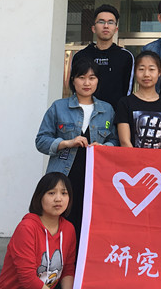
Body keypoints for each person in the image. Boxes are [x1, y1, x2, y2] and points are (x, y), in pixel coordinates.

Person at [35, 59, 118, 242]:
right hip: (65, 176)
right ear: (73, 80)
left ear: (98, 81)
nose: (87, 83)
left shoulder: (107, 110)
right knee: (62, 221)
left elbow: (115, 141)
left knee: (90, 221)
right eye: (81, 77)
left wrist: (104, 148)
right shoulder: (59, 107)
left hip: (95, 178)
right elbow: (41, 141)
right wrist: (67, 142)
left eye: (92, 78)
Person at [0, 172, 77, 289]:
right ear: (40, 197)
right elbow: (28, 278)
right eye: (51, 193)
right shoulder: (27, 228)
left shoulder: (69, 229)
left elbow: (68, 270)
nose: (58, 199)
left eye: (64, 193)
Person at [72, 4, 134, 110]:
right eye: (101, 22)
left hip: (114, 115)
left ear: (116, 29)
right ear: (93, 28)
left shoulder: (125, 57)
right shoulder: (81, 56)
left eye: (110, 22)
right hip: (84, 114)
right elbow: (75, 87)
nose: (106, 26)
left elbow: (127, 92)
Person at [115, 51, 161, 148]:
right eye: (141, 69)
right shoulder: (125, 103)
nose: (146, 74)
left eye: (151, 69)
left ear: (159, 72)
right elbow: (125, 142)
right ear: (135, 72)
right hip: (131, 157)